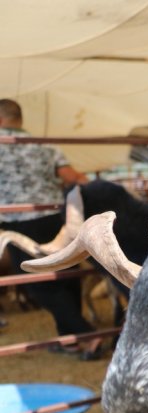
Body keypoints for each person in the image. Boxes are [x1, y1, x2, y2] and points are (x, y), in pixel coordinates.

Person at [0, 98, 101, 357]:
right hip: (56, 218)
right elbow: (73, 177)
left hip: (19, 222)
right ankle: (69, 340)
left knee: (37, 283)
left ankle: (88, 335)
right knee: (66, 274)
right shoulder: (44, 144)